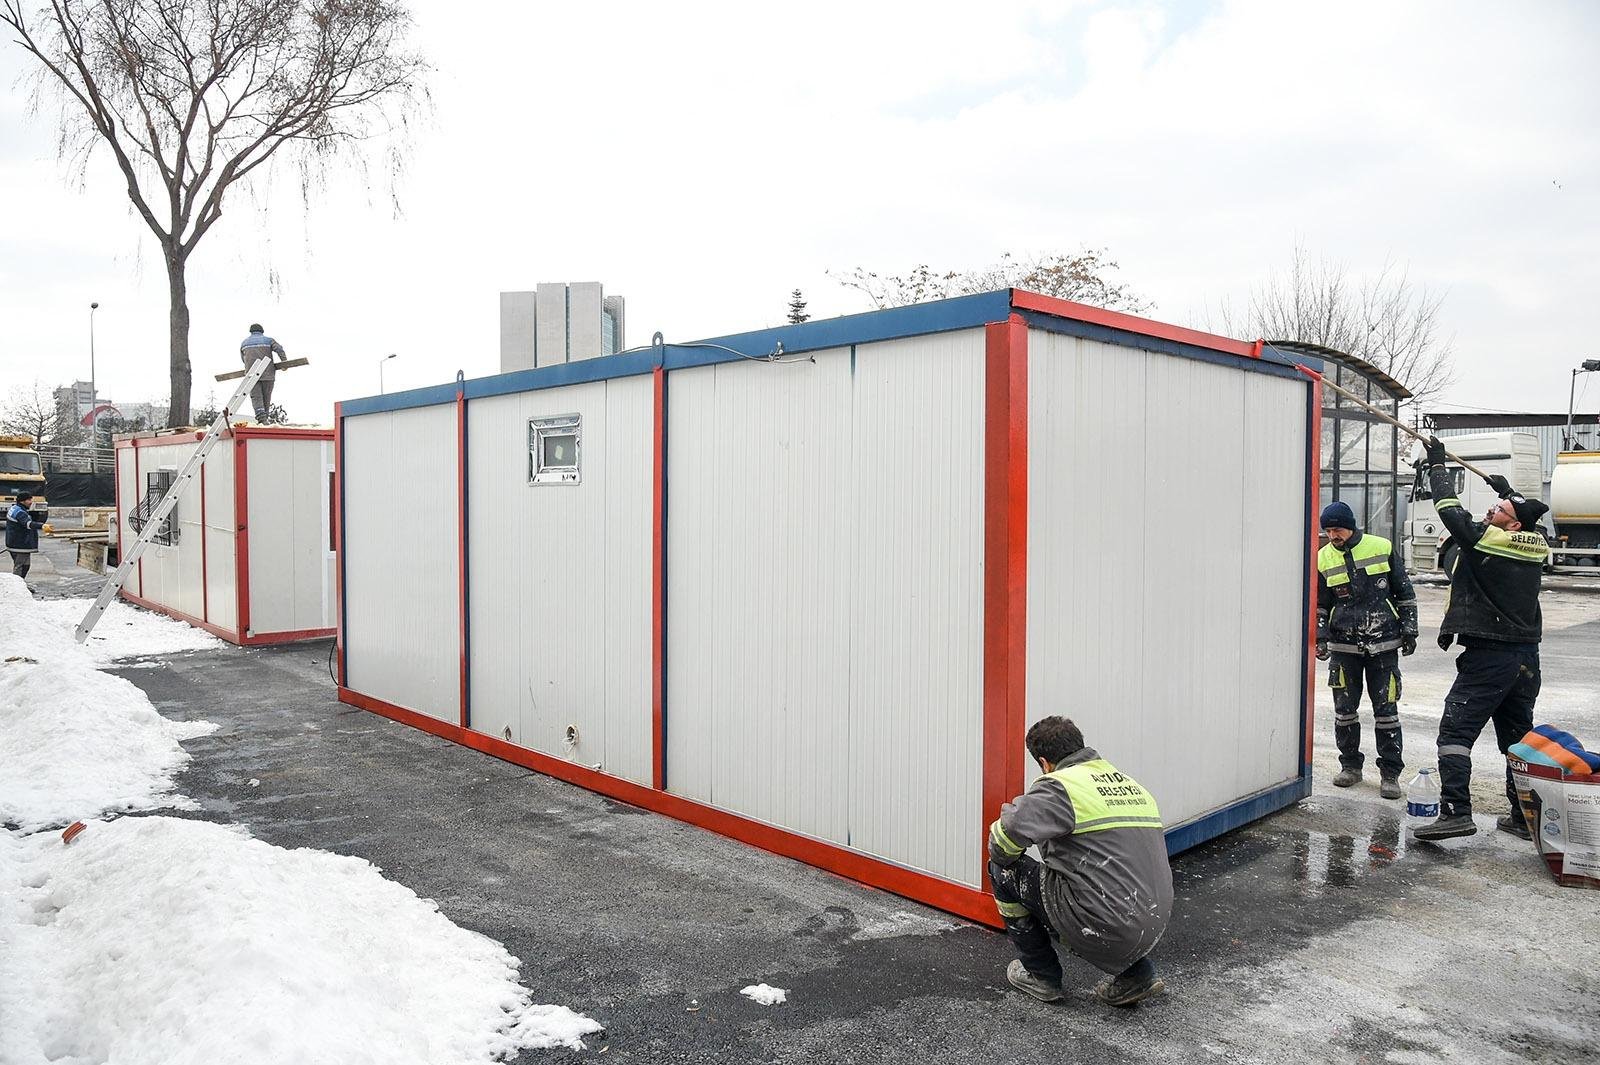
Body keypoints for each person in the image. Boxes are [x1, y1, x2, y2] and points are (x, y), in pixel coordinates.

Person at [1412, 435, 1550, 842]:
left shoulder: (1492, 538)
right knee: (1517, 740)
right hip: (1525, 659)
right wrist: (1508, 493)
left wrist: (1438, 466)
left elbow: (1450, 514)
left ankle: (1456, 811)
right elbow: (1529, 516)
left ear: (1512, 524)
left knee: (1455, 732)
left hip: (1490, 655)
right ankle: (1524, 817)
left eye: (1499, 510)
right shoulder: (1534, 543)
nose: (1491, 510)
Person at [988, 716, 1173, 1007]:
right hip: (1151, 924)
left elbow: (1004, 839)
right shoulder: (1127, 783)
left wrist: (1012, 856)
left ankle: (1041, 974)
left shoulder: (1061, 786)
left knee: (1003, 871)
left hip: (1105, 923)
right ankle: (1136, 973)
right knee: (1080, 884)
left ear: (1044, 762)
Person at [1315, 500, 1418, 799]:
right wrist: (1320, 637)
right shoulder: (1323, 558)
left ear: (1350, 526)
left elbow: (1404, 591)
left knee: (1386, 712)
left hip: (1383, 645)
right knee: (1344, 712)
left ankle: (1390, 774)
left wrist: (1409, 629)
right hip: (1343, 647)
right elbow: (1321, 604)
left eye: (1337, 529)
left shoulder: (1381, 547)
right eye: (1329, 530)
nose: (1333, 535)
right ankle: (1350, 766)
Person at [240, 323, 289, 422]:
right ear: (262, 331)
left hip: (251, 375)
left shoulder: (244, 343)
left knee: (256, 397)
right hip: (268, 374)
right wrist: (284, 363)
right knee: (266, 397)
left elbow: (243, 359)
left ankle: (261, 419)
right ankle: (264, 418)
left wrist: (248, 367)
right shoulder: (268, 340)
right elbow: (279, 349)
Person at [5, 492, 48, 578]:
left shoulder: (15, 508)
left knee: (25, 566)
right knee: (20, 566)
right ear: (22, 501)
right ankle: (17, 586)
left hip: (15, 542)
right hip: (20, 544)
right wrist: (42, 525)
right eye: (28, 500)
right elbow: (28, 524)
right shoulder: (20, 512)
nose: (31, 502)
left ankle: (21, 584)